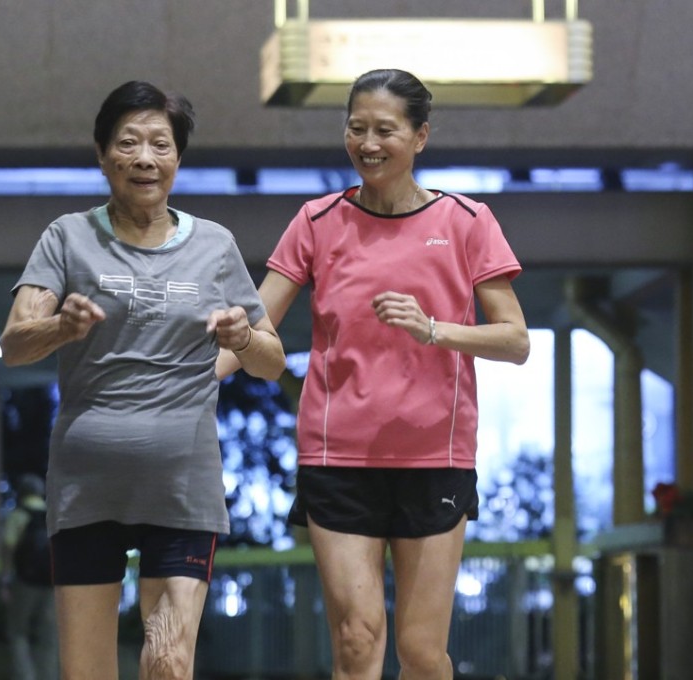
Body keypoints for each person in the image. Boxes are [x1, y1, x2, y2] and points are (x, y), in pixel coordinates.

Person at [219, 68, 529, 680]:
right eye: (356, 128)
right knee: (357, 642)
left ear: (420, 137)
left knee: (419, 650)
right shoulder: (317, 221)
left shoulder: (468, 222)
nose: (368, 143)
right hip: (338, 460)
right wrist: (199, 373)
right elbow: (257, 327)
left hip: (434, 458)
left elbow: (514, 339)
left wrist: (434, 329)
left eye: (385, 129)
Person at [0, 80, 285, 680]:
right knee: (86, 670)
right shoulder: (67, 236)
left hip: (182, 486)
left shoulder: (215, 246)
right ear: (103, 154)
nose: (145, 158)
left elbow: (272, 361)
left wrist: (241, 337)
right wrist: (59, 326)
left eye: (161, 144)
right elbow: (13, 344)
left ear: (178, 159)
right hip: (85, 487)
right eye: (128, 142)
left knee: (167, 662)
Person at [1, 473, 57, 680]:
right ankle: (48, 676)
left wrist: (5, 581)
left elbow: (8, 548)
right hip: (51, 584)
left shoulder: (18, 515)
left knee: (18, 632)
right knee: (49, 637)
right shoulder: (52, 517)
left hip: (25, 582)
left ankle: (26, 676)